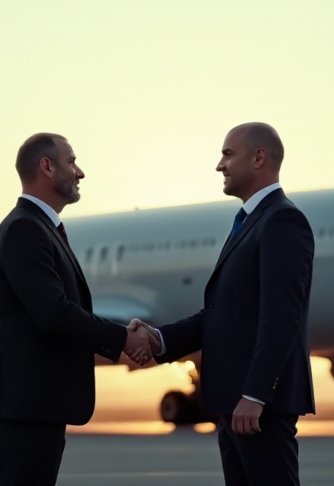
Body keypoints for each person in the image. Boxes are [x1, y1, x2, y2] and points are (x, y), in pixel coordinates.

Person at [130, 122, 316, 486]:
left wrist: (256, 394)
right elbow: (222, 317)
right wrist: (160, 340)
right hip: (235, 405)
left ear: (258, 157)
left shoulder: (281, 220)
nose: (220, 165)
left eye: (228, 154)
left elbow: (281, 317)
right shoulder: (250, 222)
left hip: (258, 407)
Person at [0, 132, 152, 486]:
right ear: (47, 166)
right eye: (72, 161)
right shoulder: (24, 229)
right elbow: (54, 313)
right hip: (27, 403)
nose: (80, 172)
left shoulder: (41, 228)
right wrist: (123, 337)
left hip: (36, 403)